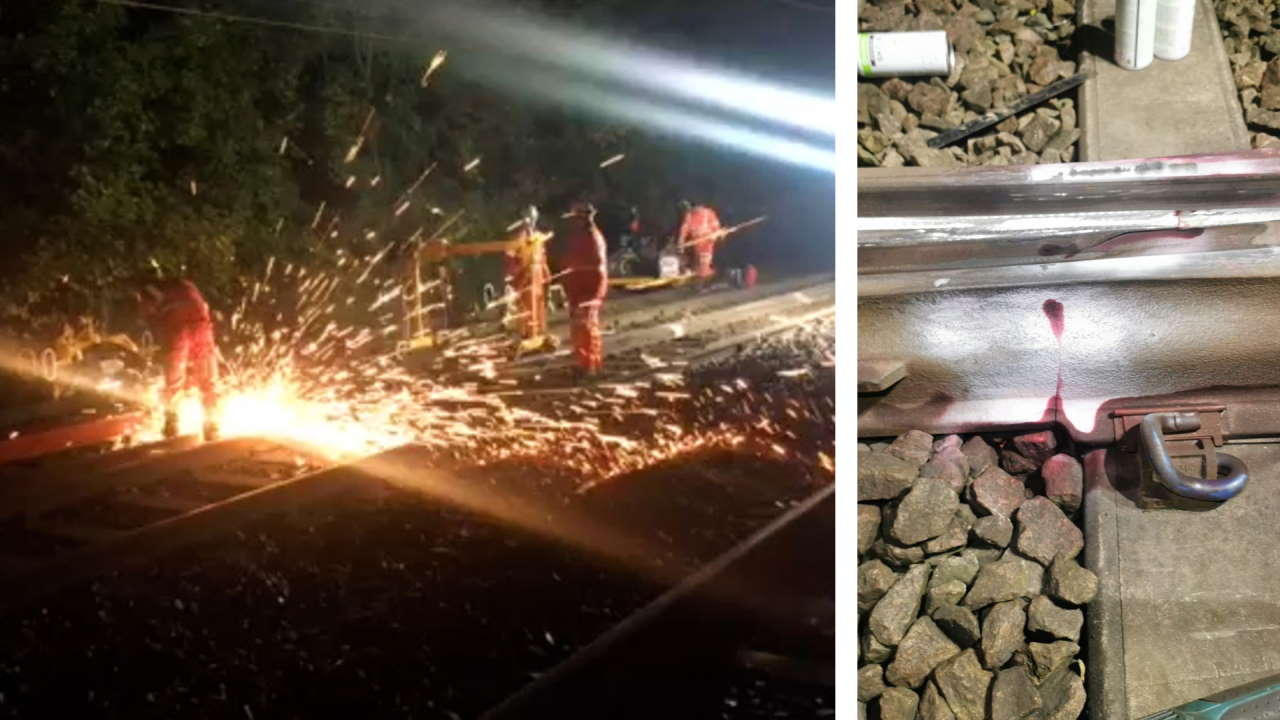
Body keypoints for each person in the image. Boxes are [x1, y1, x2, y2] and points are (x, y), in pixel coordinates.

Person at [135, 276, 220, 441]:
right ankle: (212, 425)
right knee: (208, 380)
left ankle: (171, 424)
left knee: (173, 382)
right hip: (201, 327)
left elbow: (149, 317)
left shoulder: (148, 290)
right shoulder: (187, 286)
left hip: (177, 331)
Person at [560, 201, 608, 377]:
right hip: (580, 285)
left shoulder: (590, 237)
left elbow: (587, 266)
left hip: (588, 285)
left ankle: (590, 365)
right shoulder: (583, 235)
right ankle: (583, 362)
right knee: (579, 325)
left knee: (586, 325)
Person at [503, 205, 554, 351]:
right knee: (525, 312)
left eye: (533, 217)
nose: (530, 220)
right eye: (528, 217)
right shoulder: (518, 238)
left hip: (537, 279)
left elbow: (542, 259)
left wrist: (547, 279)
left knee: (539, 310)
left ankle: (537, 338)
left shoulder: (538, 237)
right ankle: (525, 338)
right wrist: (514, 276)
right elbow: (509, 259)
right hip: (523, 280)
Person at [675, 199, 723, 284]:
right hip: (697, 245)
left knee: (704, 264)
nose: (690, 211)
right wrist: (681, 242)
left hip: (708, 243)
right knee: (697, 265)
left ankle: (708, 280)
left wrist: (715, 235)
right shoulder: (689, 216)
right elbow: (684, 229)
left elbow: (716, 227)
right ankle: (702, 279)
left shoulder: (708, 213)